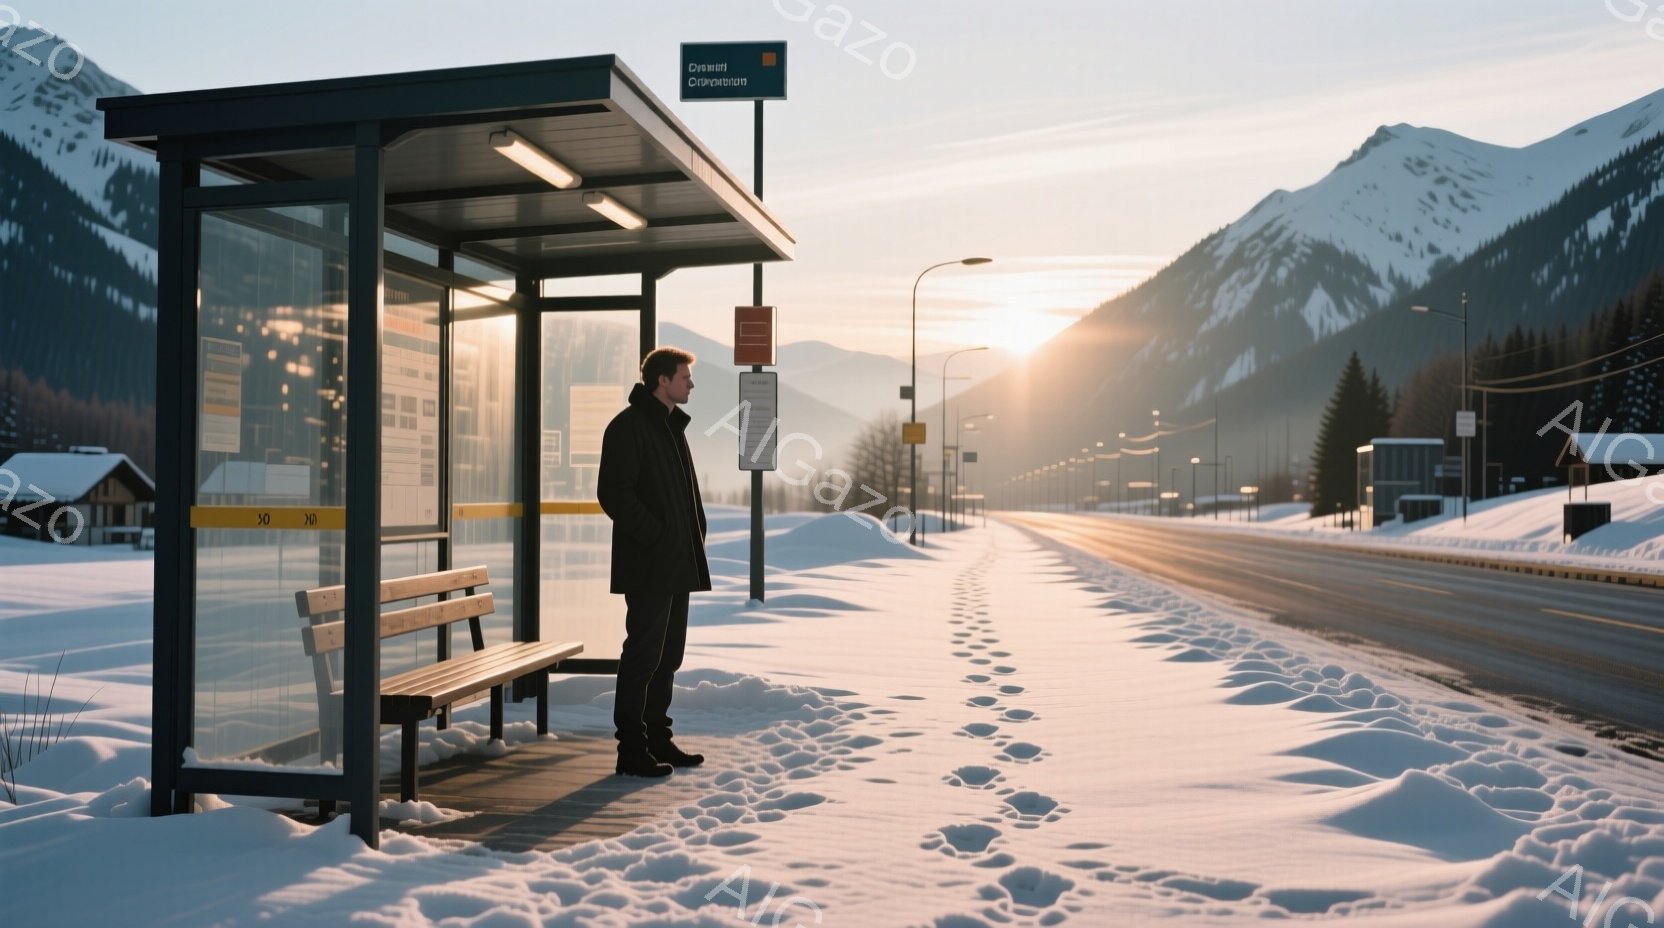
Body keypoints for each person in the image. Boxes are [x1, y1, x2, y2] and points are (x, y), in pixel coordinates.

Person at [597, 346, 712, 777]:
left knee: (668, 657)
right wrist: (657, 536)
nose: (691, 384)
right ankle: (632, 750)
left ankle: (658, 740)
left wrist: (693, 532)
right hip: (649, 565)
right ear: (662, 380)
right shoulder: (628, 427)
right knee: (643, 657)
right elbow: (614, 494)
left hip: (677, 563)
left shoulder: (670, 426)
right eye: (685, 377)